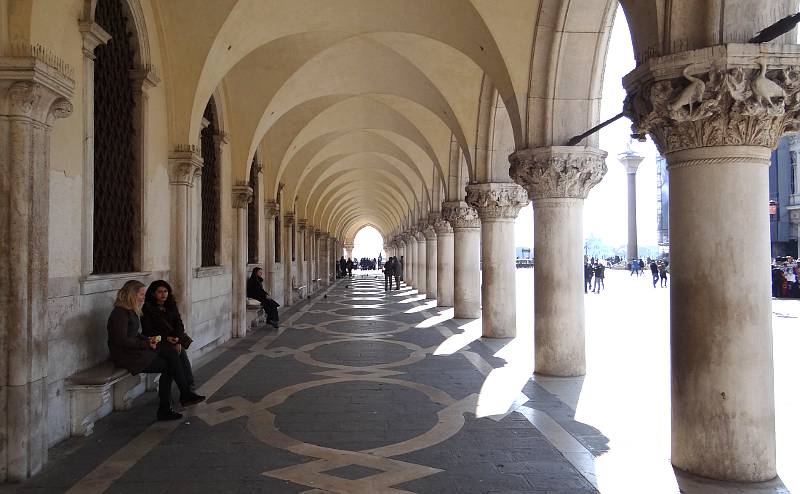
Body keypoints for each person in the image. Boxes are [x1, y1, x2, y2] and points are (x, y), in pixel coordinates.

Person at [107, 280, 204, 421]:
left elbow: (133, 335)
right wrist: (146, 344)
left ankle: (179, 398)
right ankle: (178, 399)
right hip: (126, 357)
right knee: (170, 366)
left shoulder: (129, 311)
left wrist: (148, 340)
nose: (143, 298)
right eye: (141, 294)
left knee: (172, 354)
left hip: (135, 352)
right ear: (131, 294)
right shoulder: (120, 313)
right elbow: (121, 340)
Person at [140, 280, 195, 391]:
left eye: (165, 291)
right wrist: (167, 338)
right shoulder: (147, 309)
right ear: (153, 293)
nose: (163, 294)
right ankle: (183, 388)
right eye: (160, 292)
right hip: (158, 341)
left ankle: (189, 384)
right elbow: (148, 332)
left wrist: (177, 340)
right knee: (174, 357)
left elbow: (179, 325)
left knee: (180, 353)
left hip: (174, 339)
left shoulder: (171, 305)